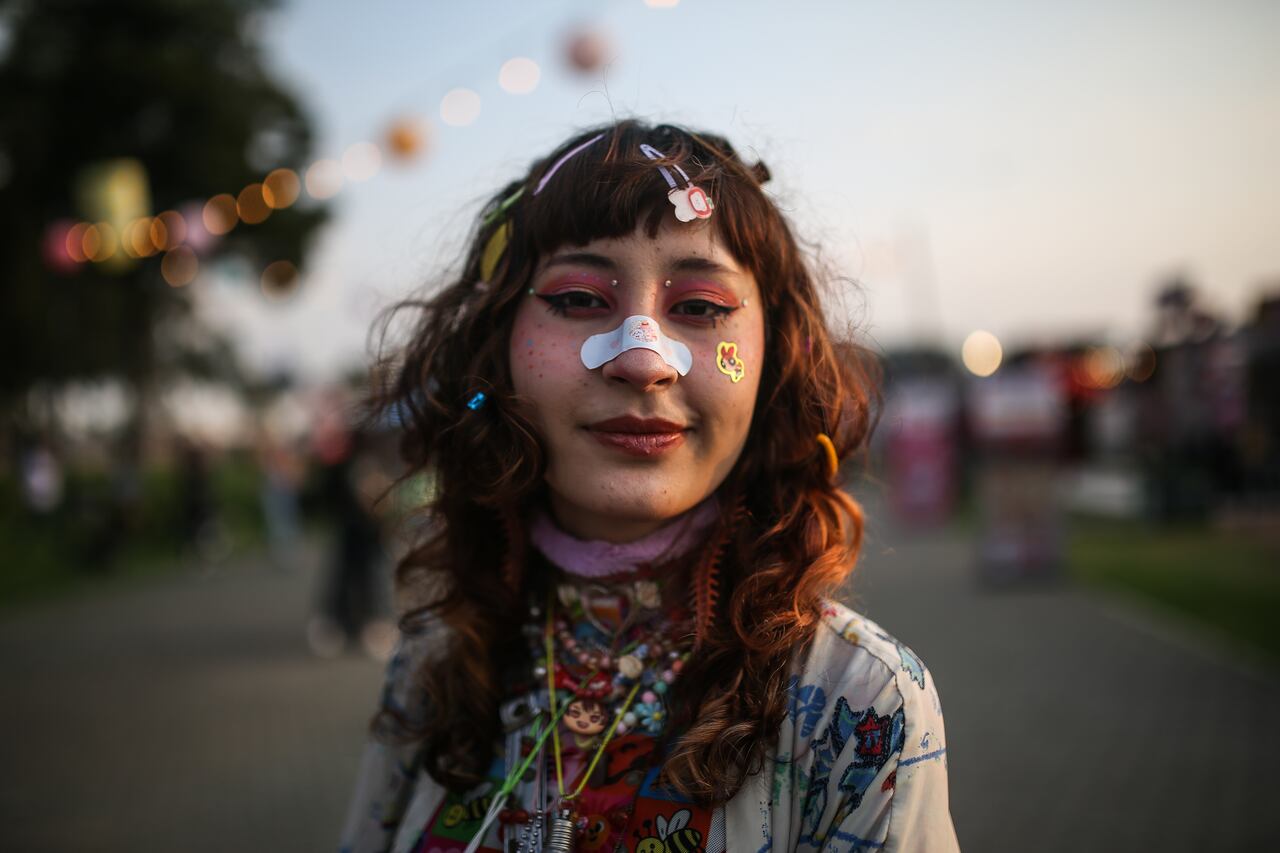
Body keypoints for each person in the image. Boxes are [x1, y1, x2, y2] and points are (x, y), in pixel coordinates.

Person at [341, 120, 959, 853]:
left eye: (699, 308)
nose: (641, 359)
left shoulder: (862, 705)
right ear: (496, 348)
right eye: (577, 298)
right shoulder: (434, 667)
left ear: (774, 361)